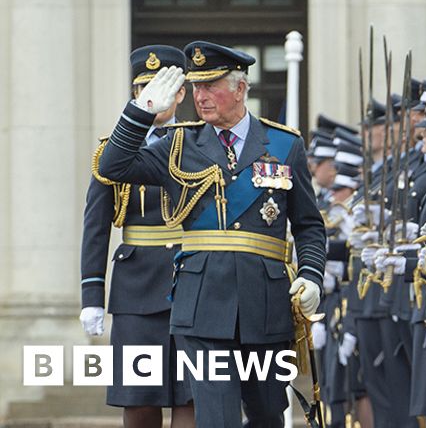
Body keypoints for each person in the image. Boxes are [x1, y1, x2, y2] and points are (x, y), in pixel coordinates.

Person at [97, 40, 326, 428]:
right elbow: (112, 165)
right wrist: (139, 113)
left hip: (265, 302)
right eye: (196, 87)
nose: (200, 97)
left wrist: (310, 275)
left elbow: (307, 225)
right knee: (216, 418)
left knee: (268, 412)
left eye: (211, 86)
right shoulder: (178, 144)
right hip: (202, 305)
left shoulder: (285, 144)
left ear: (240, 88)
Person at [80, 44, 194, 428]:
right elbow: (95, 226)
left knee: (191, 396)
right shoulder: (110, 153)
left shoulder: (199, 145)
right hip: (136, 289)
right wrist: (91, 294)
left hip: (193, 280)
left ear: (181, 94)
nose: (155, 98)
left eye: (164, 89)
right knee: (139, 400)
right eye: (143, 90)